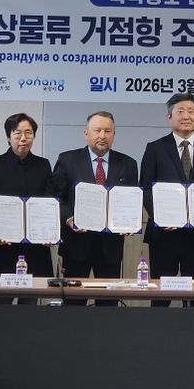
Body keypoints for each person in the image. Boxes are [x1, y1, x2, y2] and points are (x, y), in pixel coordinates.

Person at [140, 93, 194, 307]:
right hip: (164, 235)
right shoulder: (155, 148)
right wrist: (160, 217)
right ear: (169, 117)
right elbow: (145, 188)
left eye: (191, 111)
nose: (186, 116)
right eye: (180, 111)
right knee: (161, 295)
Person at [51, 111, 138, 306]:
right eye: (97, 130)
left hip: (110, 248)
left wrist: (129, 223)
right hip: (76, 246)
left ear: (114, 134)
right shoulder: (67, 160)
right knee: (73, 304)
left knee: (107, 305)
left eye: (107, 131)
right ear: (86, 134)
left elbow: (131, 200)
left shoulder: (128, 164)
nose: (102, 135)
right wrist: (68, 218)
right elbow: (56, 198)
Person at [0, 113, 54, 305]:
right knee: (1, 306)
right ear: (9, 136)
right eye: (17, 133)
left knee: (29, 307)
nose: (23, 138)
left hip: (35, 247)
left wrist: (49, 232)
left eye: (28, 133)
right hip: (3, 246)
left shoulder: (43, 165)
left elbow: (49, 203)